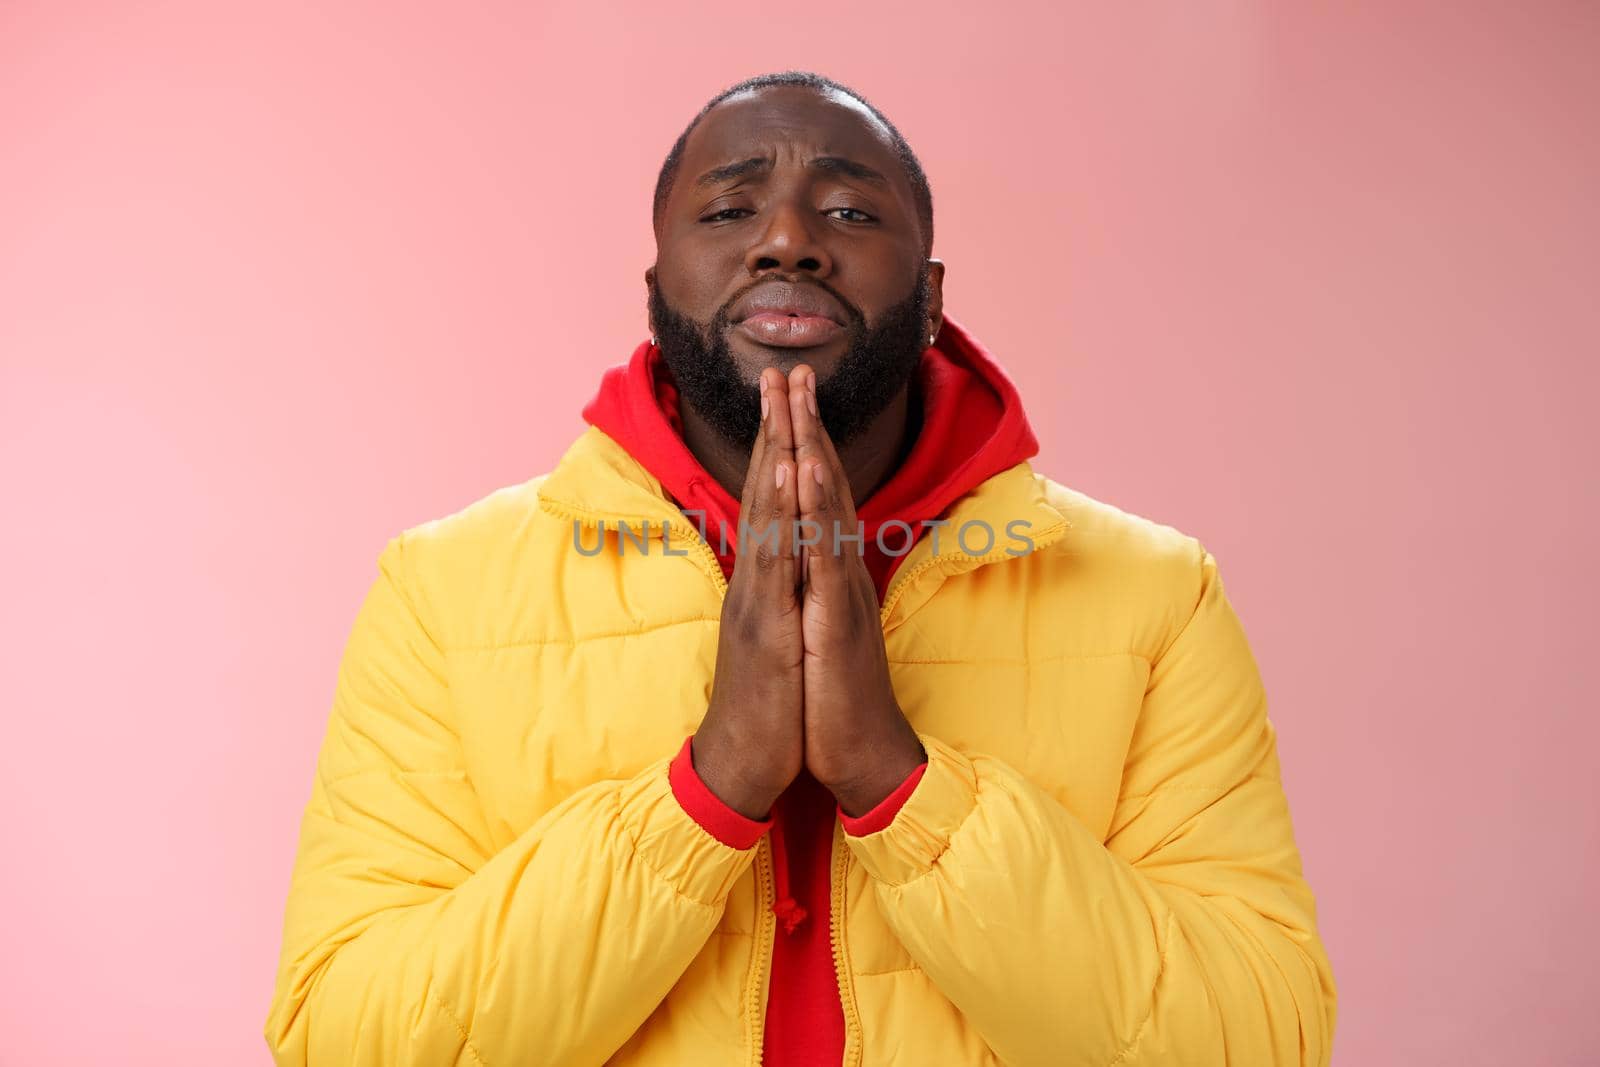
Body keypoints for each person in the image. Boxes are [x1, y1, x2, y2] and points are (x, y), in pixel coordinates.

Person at [264, 70, 1337, 1066]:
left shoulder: (1154, 593)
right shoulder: (442, 591)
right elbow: (345, 1033)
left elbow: (1253, 1034)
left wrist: (894, 775)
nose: (786, 241)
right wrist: (713, 780)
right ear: (654, 287)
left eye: (851, 212)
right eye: (729, 211)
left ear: (930, 293)